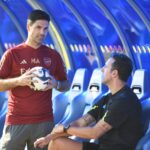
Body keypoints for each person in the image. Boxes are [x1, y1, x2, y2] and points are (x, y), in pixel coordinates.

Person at [34, 53, 143, 150]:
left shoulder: (124, 101)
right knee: (57, 142)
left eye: (105, 67)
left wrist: (65, 128)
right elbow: (81, 122)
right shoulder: (108, 98)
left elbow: (95, 133)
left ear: (114, 73)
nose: (101, 69)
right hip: (102, 147)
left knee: (58, 143)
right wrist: (49, 137)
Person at [0, 9, 70, 150]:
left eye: (45, 29)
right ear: (28, 26)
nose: (42, 32)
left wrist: (55, 83)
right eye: (38, 27)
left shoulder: (53, 55)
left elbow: (66, 85)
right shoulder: (12, 54)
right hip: (16, 121)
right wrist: (18, 81)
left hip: (44, 122)